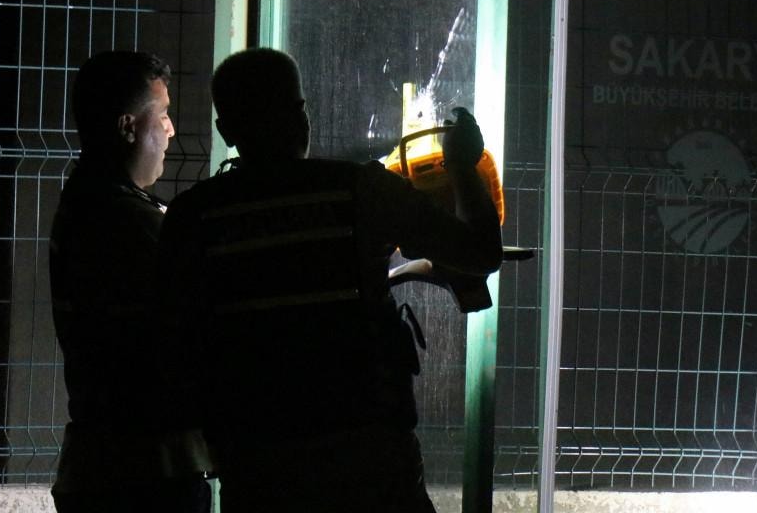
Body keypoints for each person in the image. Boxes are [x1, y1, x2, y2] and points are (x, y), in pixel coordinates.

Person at [160, 48, 502, 513]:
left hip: (257, 466)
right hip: (371, 459)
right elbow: (480, 253)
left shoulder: (192, 217)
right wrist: (461, 164)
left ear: (226, 131)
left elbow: (176, 343)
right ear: (301, 115)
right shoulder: (361, 189)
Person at [49, 51, 212, 513]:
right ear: (128, 127)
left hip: (100, 466)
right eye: (162, 114)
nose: (171, 130)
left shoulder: (84, 205)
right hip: (149, 473)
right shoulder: (130, 223)